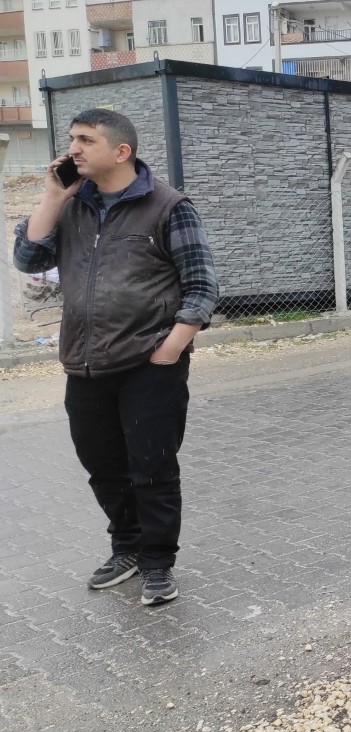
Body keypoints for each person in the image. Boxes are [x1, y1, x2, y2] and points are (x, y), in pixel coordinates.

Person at [11, 108, 219, 606]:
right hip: (84, 363)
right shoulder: (72, 203)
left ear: (121, 151)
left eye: (85, 140)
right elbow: (28, 258)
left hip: (149, 363)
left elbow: (202, 286)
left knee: (151, 467)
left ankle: (157, 564)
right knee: (101, 464)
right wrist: (52, 196)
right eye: (71, 139)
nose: (73, 149)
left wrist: (170, 350)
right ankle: (126, 548)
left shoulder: (168, 206)